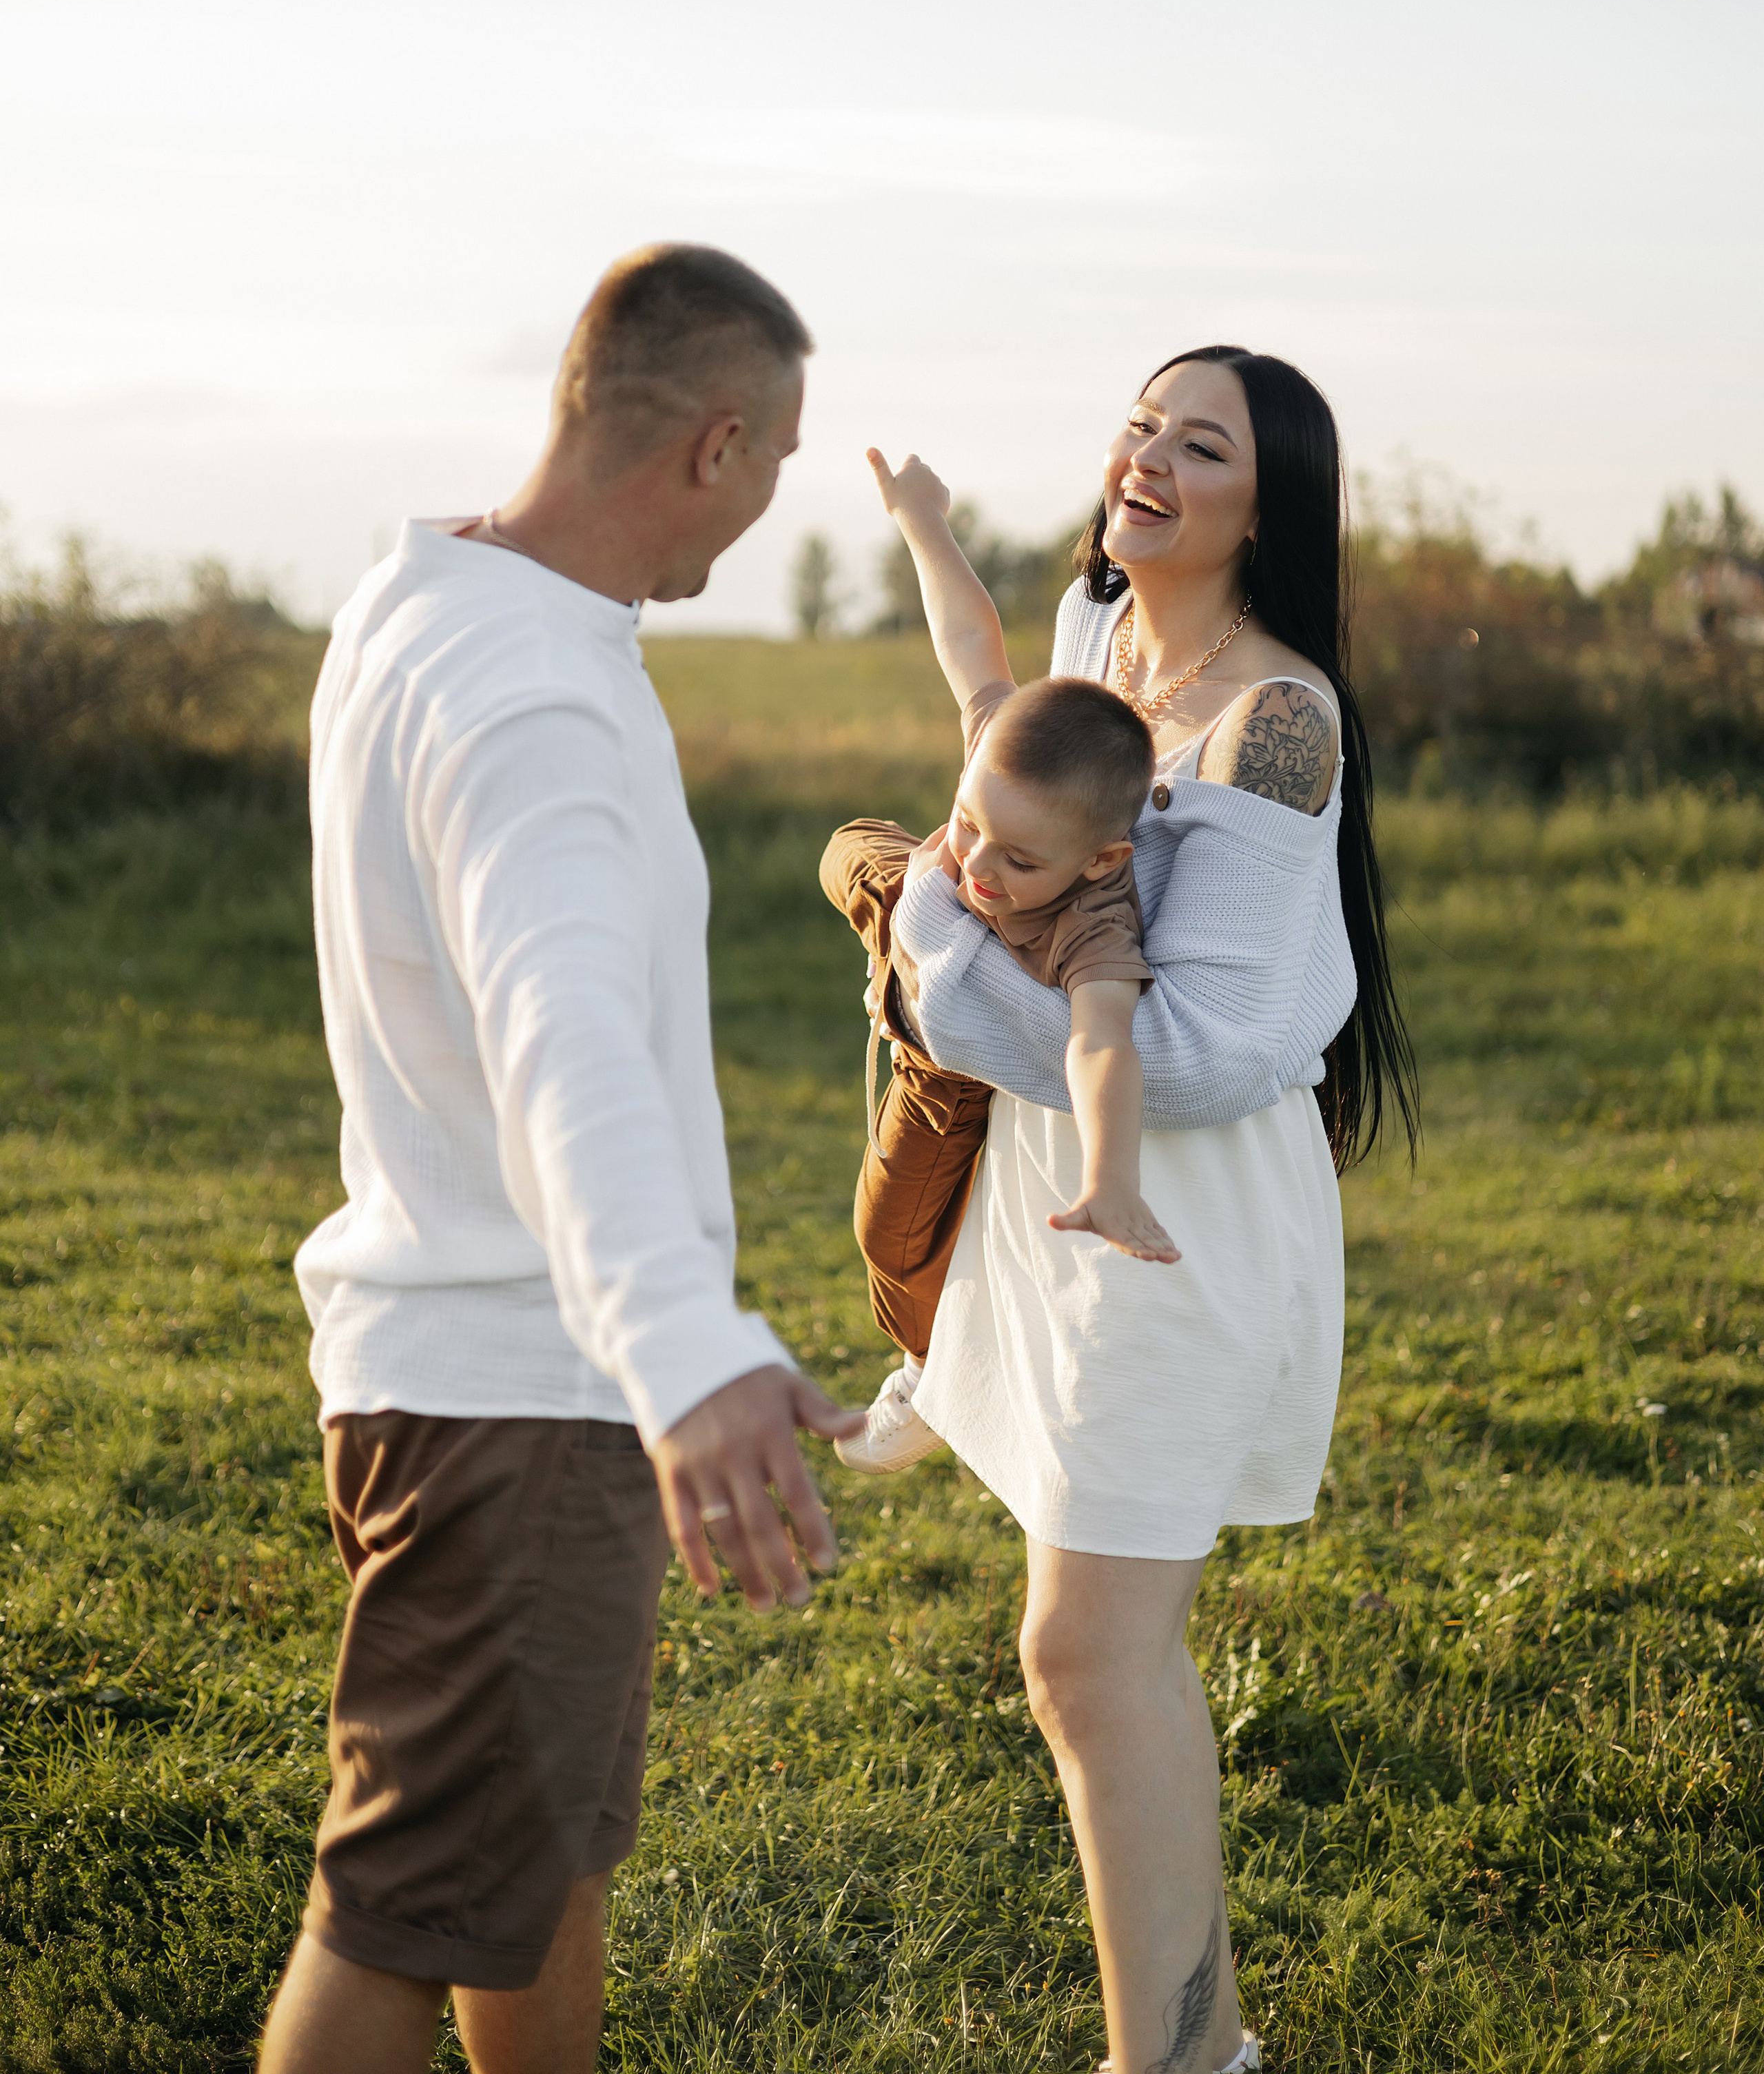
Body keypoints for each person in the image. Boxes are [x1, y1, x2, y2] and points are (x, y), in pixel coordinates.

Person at [257, 245, 862, 2074]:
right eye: (775, 466)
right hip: (516, 1402)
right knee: (396, 1926)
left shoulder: (430, 603)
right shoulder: (538, 703)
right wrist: (685, 1357)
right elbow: (563, 1051)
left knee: (532, 1874)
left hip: (518, 1385)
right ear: (715, 444)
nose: (767, 511)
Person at [890, 348, 1419, 2074]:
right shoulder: (1088, 630)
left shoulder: (1277, 722)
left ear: (1266, 510)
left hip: (1170, 1216)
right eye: (1140, 423)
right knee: (1076, 1651)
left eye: (1201, 447)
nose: (1147, 459)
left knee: (1085, 1650)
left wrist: (929, 954)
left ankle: (1181, 2064)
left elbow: (1196, 1054)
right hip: (1063, 1192)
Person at [821, 448, 1171, 1477]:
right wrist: (924, 521)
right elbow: (970, 640)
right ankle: (898, 937)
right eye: (971, 826)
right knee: (858, 847)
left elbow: (1106, 1043)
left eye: (1020, 861)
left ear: (1101, 858)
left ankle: (928, 1367)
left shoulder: (1101, 921)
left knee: (889, 1240)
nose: (976, 865)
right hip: (928, 962)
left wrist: (1111, 1177)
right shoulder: (1004, 759)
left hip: (958, 1065)